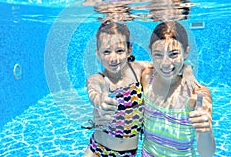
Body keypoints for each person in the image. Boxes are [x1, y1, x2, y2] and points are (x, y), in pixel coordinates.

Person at [141, 21, 216, 157]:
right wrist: (186, 68)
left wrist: (205, 130)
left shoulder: (197, 94)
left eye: (173, 54)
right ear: (150, 52)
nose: (165, 63)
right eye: (158, 54)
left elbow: (207, 153)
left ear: (186, 52)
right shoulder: (146, 78)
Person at [83, 20, 150, 157]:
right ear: (98, 53)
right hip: (97, 150)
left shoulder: (138, 70)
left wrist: (187, 72)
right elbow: (93, 91)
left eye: (119, 51)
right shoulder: (97, 79)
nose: (113, 58)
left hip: (127, 153)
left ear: (129, 50)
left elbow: (167, 65)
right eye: (106, 52)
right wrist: (99, 102)